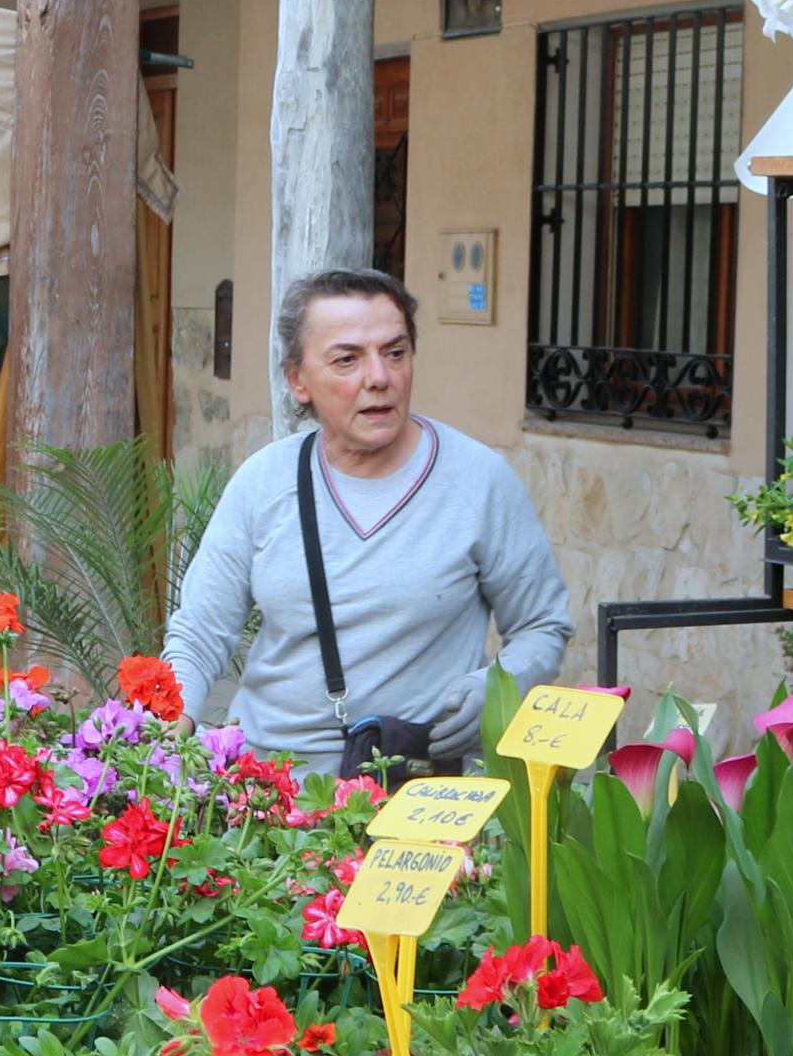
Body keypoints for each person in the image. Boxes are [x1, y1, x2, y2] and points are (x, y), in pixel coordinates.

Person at [166, 265, 574, 773]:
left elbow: (542, 625)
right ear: (298, 380)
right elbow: (201, 630)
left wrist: (494, 688)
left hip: (416, 789)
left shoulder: (478, 480)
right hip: (269, 790)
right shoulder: (264, 481)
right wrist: (167, 725)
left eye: (395, 353)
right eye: (347, 360)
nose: (379, 377)